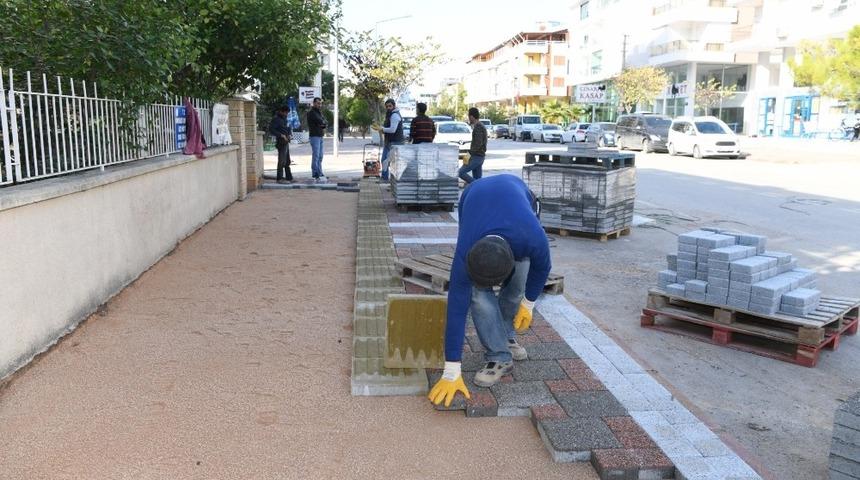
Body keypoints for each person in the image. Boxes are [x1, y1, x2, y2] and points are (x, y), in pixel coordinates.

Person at [428, 175, 551, 407]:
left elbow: (543, 267)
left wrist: (529, 302)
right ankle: (498, 355)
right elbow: (456, 309)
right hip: (473, 198)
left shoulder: (532, 238)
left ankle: (505, 336)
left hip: (517, 193)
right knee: (476, 294)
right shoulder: (467, 252)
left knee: (518, 284)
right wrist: (451, 369)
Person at [376, 98, 405, 181]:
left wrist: (382, 129)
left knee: (390, 162)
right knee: (384, 160)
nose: (388, 108)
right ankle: (385, 178)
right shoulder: (390, 114)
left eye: (390, 106)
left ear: (394, 106)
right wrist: (381, 130)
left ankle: (390, 179)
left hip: (396, 142)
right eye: (387, 106)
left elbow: (392, 129)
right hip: (389, 142)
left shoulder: (395, 115)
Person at [459, 107, 487, 184]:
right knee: (478, 179)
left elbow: (478, 144)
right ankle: (478, 189)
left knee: (460, 172)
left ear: (471, 116)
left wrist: (468, 155)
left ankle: (475, 185)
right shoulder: (479, 126)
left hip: (476, 156)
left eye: (469, 117)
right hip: (479, 156)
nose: (469, 119)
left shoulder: (478, 127)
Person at [268, 105, 293, 183]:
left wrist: (289, 134)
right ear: (281, 111)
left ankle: (289, 177)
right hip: (281, 142)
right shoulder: (276, 119)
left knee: (287, 161)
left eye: (287, 113)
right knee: (282, 161)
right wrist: (281, 135)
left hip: (286, 141)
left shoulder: (284, 119)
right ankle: (280, 178)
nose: (286, 114)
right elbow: (271, 130)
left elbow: (287, 128)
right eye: (285, 112)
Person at [307, 97, 328, 183]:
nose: (320, 105)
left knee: (320, 156)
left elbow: (325, 122)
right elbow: (320, 121)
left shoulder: (319, 112)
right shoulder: (311, 113)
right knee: (316, 156)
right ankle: (315, 173)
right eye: (318, 103)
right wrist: (321, 123)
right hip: (314, 136)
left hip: (320, 135)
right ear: (314, 103)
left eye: (320, 103)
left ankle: (320, 172)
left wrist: (322, 123)